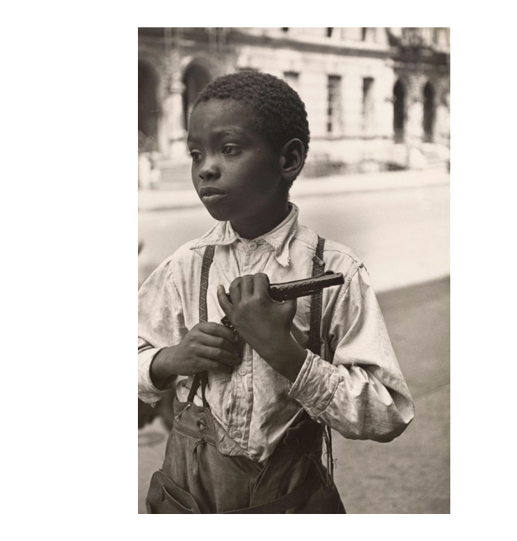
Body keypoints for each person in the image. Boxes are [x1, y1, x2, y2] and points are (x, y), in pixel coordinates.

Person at [138, 71, 414, 514]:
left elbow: (388, 412)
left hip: (290, 500)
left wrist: (285, 353)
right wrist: (171, 359)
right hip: (187, 496)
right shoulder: (185, 266)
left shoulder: (335, 271)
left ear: (289, 160)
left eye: (229, 149)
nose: (206, 167)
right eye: (196, 153)